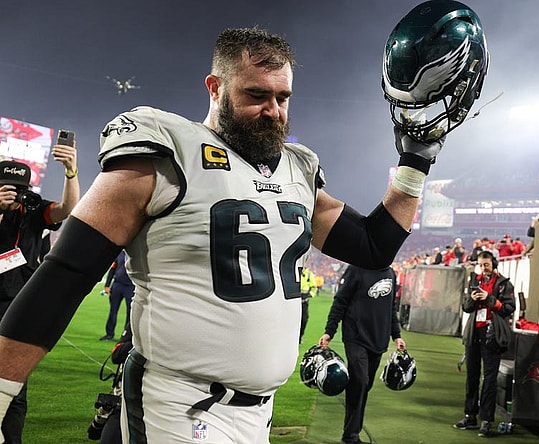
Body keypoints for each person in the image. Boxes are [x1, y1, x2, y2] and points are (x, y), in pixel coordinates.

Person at [0, 19, 484, 442]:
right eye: (256, 95)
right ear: (215, 87)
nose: (273, 110)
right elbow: (66, 272)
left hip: (258, 413)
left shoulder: (297, 168)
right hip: (175, 405)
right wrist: (3, 388)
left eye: (282, 97)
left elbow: (373, 246)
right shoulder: (167, 149)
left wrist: (415, 160)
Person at [0, 140, 79, 443]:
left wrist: (71, 172)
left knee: (13, 387)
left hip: (19, 305)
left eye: (18, 187)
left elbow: (67, 209)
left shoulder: (30, 208)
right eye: (6, 186)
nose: (13, 193)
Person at [318, 265, 405, 444]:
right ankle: (350, 437)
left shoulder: (390, 273)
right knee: (360, 382)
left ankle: (352, 433)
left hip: (378, 340)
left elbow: (391, 309)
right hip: (355, 337)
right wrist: (329, 331)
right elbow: (340, 301)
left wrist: (396, 336)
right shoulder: (356, 269)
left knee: (364, 387)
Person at [454, 250, 515, 437]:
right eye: (480, 265)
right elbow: (465, 307)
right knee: (471, 377)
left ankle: (486, 420)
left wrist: (489, 299)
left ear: (494, 264)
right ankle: (470, 416)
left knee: (489, 380)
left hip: (492, 335)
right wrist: (472, 299)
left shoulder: (504, 284)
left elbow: (509, 309)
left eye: (486, 264)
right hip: (474, 333)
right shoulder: (475, 281)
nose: (483, 268)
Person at [100, 250, 134, 341]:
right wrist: (107, 285)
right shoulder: (120, 254)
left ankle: (126, 336)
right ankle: (109, 334)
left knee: (130, 312)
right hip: (117, 285)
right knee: (113, 310)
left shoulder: (136, 253)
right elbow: (112, 269)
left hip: (131, 286)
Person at [299, 267, 318, 343]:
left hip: (304, 301)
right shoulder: (294, 272)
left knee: (304, 319)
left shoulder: (309, 274)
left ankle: (300, 336)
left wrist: (309, 295)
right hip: (294, 300)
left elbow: (314, 288)